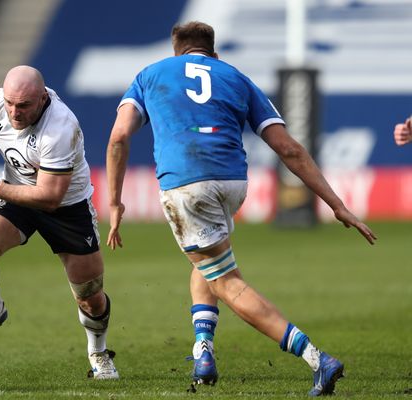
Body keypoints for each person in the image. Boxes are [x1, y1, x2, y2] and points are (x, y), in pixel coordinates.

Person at [106, 21, 376, 396]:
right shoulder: (236, 77)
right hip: (233, 183)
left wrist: (115, 202)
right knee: (207, 261)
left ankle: (317, 359)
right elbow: (290, 149)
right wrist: (338, 205)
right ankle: (203, 352)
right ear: (213, 54)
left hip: (187, 182)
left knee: (226, 281)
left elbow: (119, 136)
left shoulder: (150, 74)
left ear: (176, 52)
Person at [0, 65, 118, 379]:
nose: (13, 112)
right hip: (14, 193)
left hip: (66, 207)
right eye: (9, 103)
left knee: (90, 297)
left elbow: (49, 197)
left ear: (43, 98)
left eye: (23, 106)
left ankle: (98, 352)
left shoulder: (60, 127)